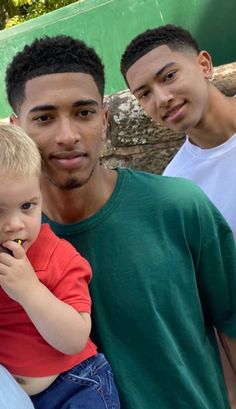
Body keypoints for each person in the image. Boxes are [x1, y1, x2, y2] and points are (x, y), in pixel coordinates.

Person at [5, 35, 236, 409]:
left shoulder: (178, 206)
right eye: (45, 118)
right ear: (18, 128)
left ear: (105, 120)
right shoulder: (8, 248)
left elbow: (231, 322)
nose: (67, 136)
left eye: (84, 113)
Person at [120, 24, 236, 406]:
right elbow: (211, 307)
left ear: (204, 64)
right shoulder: (174, 189)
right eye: (144, 94)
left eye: (168, 76)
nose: (162, 98)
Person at [0, 123, 120, 409]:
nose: (16, 224)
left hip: (76, 385)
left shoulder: (58, 257)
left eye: (28, 206)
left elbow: (75, 339)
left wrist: (29, 291)